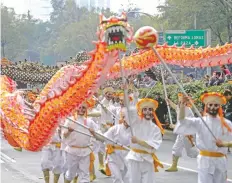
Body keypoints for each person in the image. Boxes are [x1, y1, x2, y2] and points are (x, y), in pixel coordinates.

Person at [175, 92, 232, 183]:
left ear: (219, 107)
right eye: (210, 105)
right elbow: (182, 121)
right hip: (204, 161)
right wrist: (182, 105)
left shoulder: (227, 124)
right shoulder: (200, 122)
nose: (213, 107)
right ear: (206, 106)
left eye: (216, 105)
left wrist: (224, 144)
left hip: (220, 161)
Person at [126, 98, 163, 183]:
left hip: (148, 159)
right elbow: (129, 112)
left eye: (150, 109)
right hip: (134, 158)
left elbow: (153, 145)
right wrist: (132, 96)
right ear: (141, 111)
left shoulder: (156, 129)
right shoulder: (135, 122)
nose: (147, 112)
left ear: (153, 112)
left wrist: (138, 141)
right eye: (145, 109)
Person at [90, 108, 131, 183]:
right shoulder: (115, 128)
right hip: (113, 157)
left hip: (126, 158)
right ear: (123, 117)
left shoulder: (134, 131)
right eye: (125, 117)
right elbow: (103, 138)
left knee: (122, 178)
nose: (127, 120)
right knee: (117, 179)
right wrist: (94, 134)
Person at [62, 102, 98, 183]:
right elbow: (64, 135)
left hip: (85, 152)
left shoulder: (90, 122)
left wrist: (93, 133)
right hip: (72, 152)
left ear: (86, 110)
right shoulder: (70, 120)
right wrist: (69, 131)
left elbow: (98, 136)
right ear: (76, 108)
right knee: (71, 174)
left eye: (83, 108)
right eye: (80, 107)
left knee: (85, 175)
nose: (81, 110)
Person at [165, 93, 198, 172]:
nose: (179, 101)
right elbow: (175, 107)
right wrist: (169, 102)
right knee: (176, 148)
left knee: (192, 152)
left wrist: (175, 126)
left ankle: (207, 158)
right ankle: (174, 166)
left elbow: (184, 122)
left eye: (181, 100)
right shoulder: (179, 107)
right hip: (181, 133)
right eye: (179, 100)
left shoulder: (187, 110)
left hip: (188, 134)